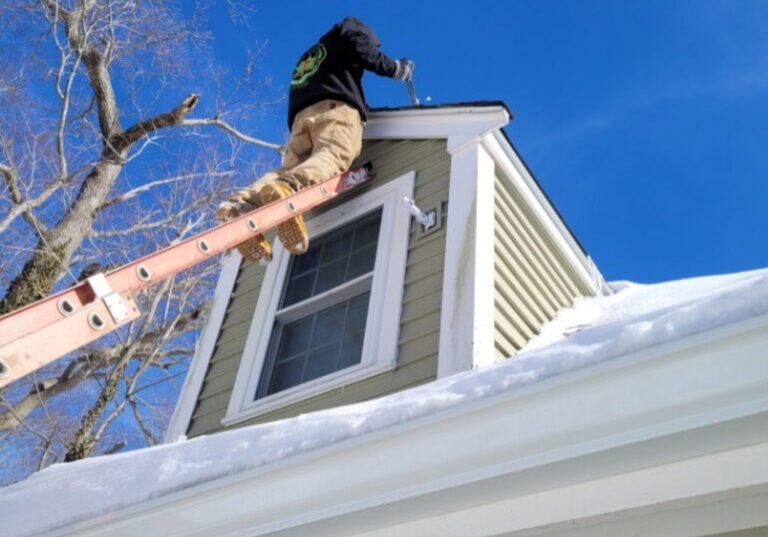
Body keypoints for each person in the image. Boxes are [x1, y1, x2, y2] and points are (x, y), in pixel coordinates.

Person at [217, 16, 414, 264]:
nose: (372, 48)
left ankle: (242, 204)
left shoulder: (315, 55)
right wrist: (394, 68)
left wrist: (361, 107)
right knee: (333, 155)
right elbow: (358, 45)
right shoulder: (350, 32)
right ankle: (289, 190)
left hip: (301, 118)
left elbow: (335, 82)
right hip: (333, 109)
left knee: (288, 170)